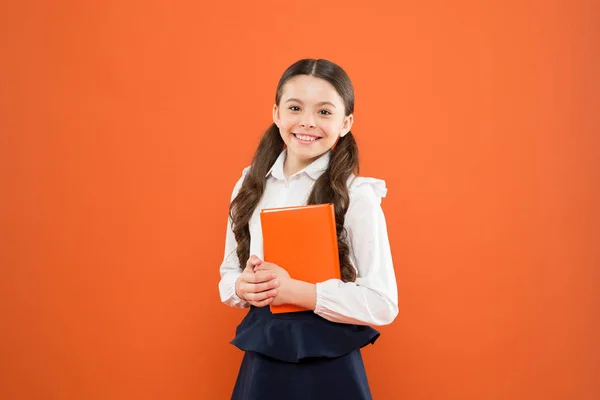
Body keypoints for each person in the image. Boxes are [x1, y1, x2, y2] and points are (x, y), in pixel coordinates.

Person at [218, 58, 398, 400]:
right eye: (295, 107)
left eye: (325, 112)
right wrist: (243, 287)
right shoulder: (249, 184)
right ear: (276, 114)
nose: (307, 122)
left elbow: (383, 303)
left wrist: (296, 292)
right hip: (265, 353)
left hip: (328, 362)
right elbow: (229, 273)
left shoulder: (357, 195)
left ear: (346, 122)